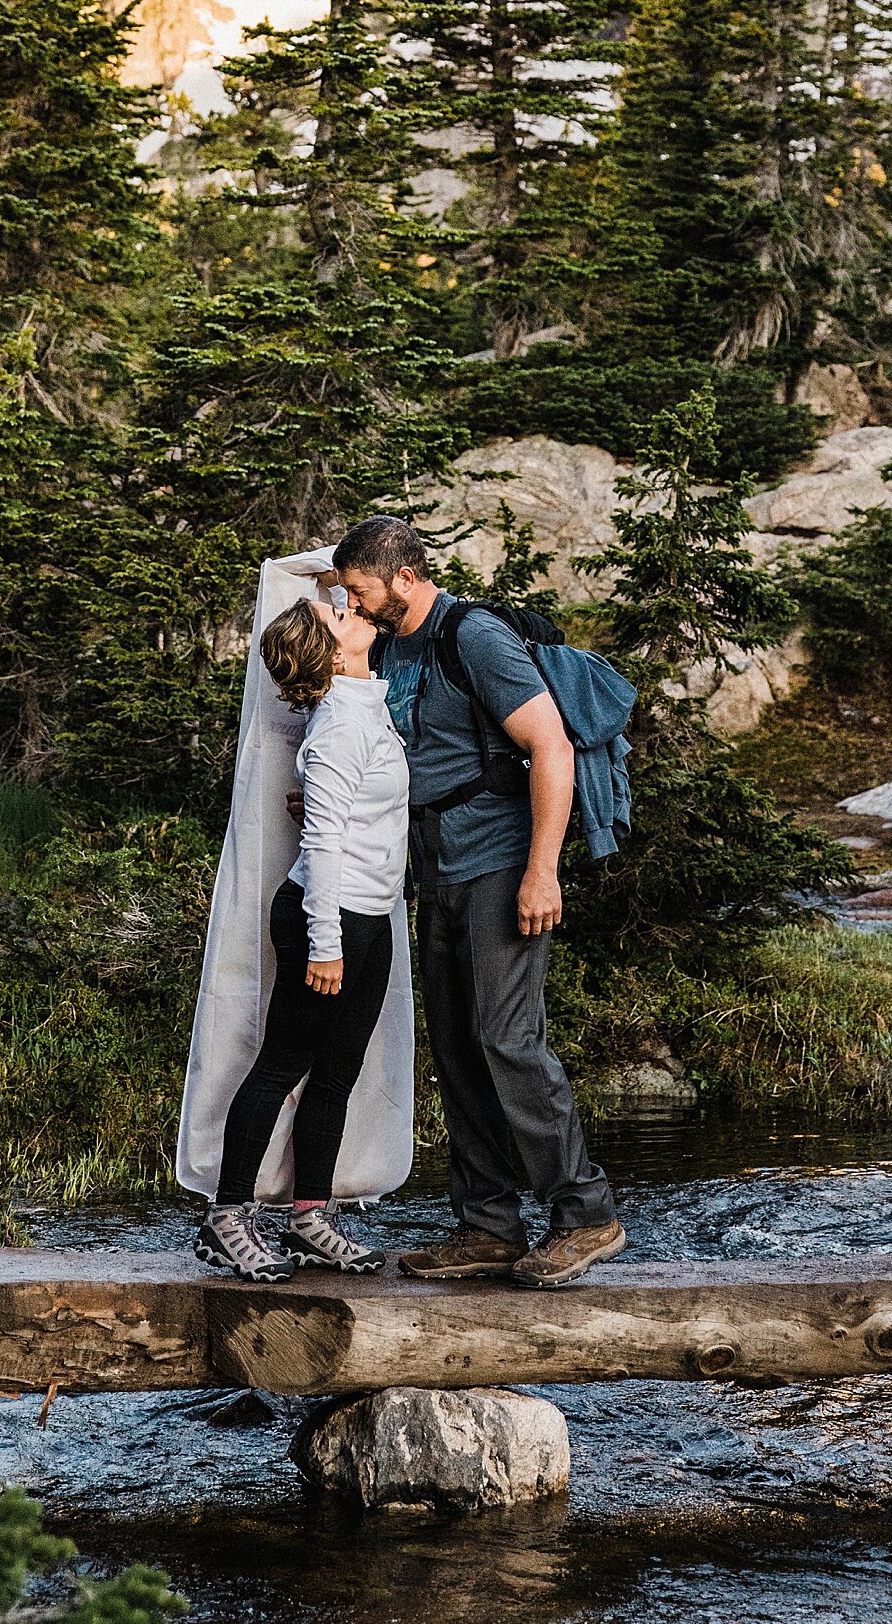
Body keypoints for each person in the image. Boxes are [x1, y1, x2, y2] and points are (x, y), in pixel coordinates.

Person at [333, 515, 626, 1290]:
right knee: (459, 1047)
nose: (355, 607)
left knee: (508, 1039)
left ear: (403, 576)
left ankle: (584, 1214)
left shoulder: (474, 636)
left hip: (501, 864)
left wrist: (543, 871)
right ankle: (489, 1225)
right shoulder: (389, 642)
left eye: (361, 590)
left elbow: (551, 746)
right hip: (436, 872)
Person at [195, 591, 409, 1282]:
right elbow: (320, 845)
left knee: (339, 1071)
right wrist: (324, 944)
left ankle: (310, 1217)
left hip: (370, 918)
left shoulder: (362, 708)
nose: (351, 612)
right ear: (330, 652)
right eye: (338, 616)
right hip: (329, 917)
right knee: (282, 1065)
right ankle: (226, 1220)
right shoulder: (338, 731)